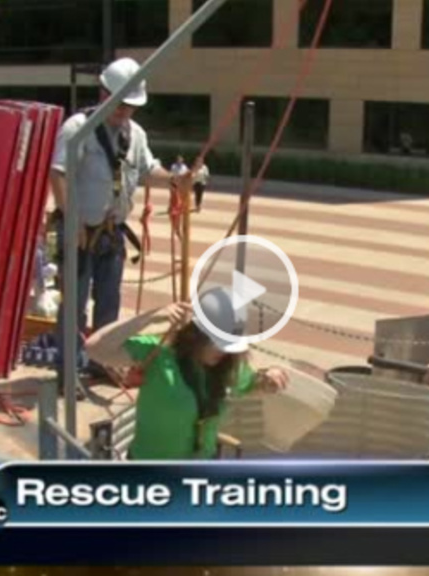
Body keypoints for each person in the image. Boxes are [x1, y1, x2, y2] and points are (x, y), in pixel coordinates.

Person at [49, 57, 189, 385]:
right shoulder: (77, 129)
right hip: (81, 231)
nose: (125, 112)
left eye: (131, 107)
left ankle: (102, 362)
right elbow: (58, 174)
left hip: (111, 233)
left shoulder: (134, 134)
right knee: (74, 305)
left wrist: (175, 180)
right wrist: (72, 220)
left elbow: (147, 171)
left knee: (109, 303)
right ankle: (68, 371)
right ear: (104, 94)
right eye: (121, 104)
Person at [86, 287, 289, 460]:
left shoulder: (228, 364)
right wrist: (148, 318)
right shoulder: (158, 353)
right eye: (218, 343)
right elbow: (95, 348)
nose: (224, 352)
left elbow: (250, 384)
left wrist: (268, 378)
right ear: (197, 335)